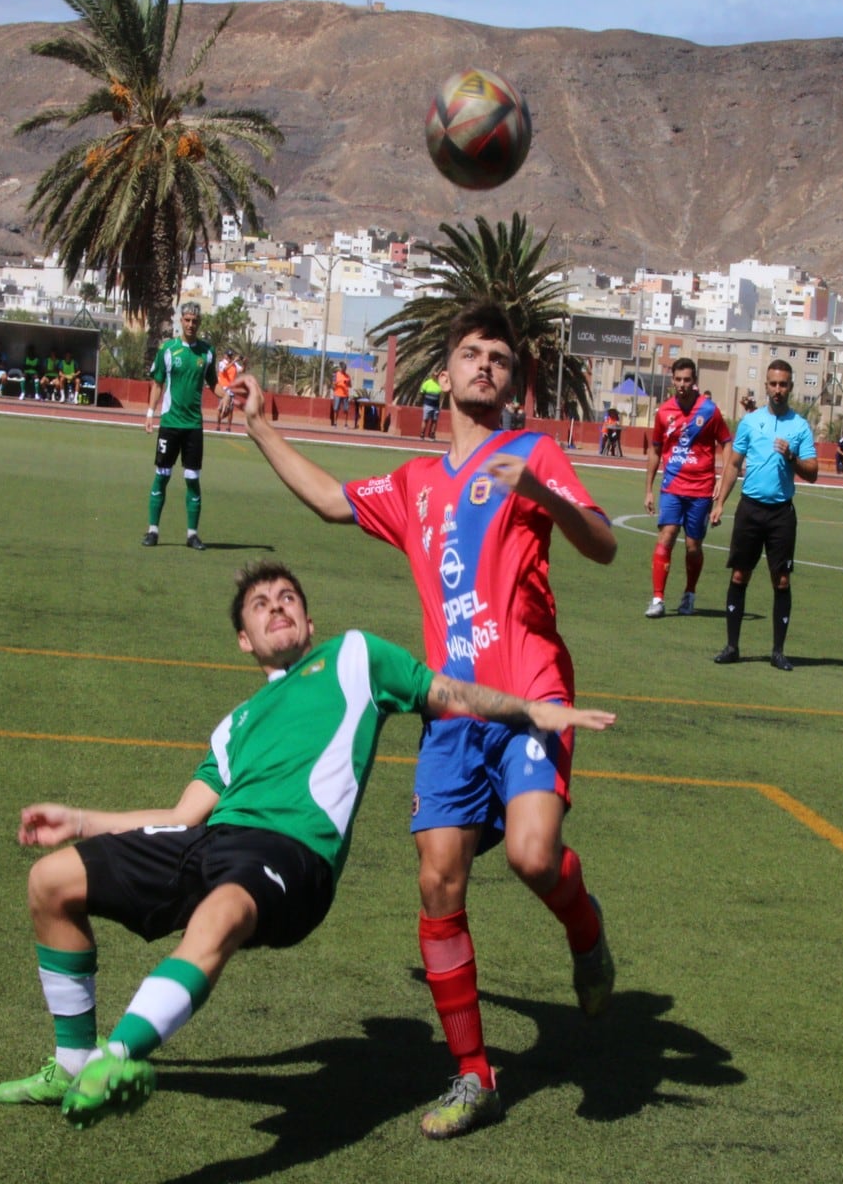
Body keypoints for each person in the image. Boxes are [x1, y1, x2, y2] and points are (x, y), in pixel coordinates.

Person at [0, 560, 615, 1130]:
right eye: (260, 605)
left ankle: (116, 1056)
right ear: (244, 640)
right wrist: (79, 819)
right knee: (51, 882)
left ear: (310, 621)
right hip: (211, 841)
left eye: (287, 598)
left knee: (221, 913)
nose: (276, 606)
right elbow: (182, 816)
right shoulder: (233, 726)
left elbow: (449, 693)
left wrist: (533, 711)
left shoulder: (354, 657)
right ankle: (73, 1063)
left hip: (291, 854)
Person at [237, 302, 618, 1139]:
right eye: (472, 355)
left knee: (531, 854)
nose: (486, 367)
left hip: (531, 688)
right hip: (451, 708)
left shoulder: (533, 452)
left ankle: (585, 933)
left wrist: (542, 491)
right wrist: (263, 431)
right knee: (437, 880)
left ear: (515, 382)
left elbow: (602, 543)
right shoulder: (413, 485)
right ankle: (474, 1076)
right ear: (445, 374)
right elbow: (334, 501)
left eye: (501, 360)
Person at [711, 358, 819, 670]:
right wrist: (720, 503)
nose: (777, 390)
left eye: (783, 384)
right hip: (750, 509)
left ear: (791, 387)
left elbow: (812, 472)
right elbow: (732, 465)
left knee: (781, 580)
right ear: (766, 386)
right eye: (772, 384)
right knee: (739, 575)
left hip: (781, 514)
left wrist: (792, 457)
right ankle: (732, 647)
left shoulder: (799, 427)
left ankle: (778, 651)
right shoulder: (750, 422)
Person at [643, 358, 730, 618]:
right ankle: (658, 599)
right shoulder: (663, 412)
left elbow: (726, 443)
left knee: (693, 546)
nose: (682, 385)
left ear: (695, 381)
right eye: (678, 380)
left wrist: (722, 480)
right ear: (672, 380)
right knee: (666, 536)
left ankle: (689, 594)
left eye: (687, 380)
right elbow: (655, 451)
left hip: (701, 489)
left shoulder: (710, 411)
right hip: (672, 486)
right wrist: (648, 489)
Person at [143, 301, 216, 550]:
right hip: (170, 424)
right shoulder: (168, 349)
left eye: (195, 321)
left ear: (200, 323)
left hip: (193, 426)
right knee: (161, 476)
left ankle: (192, 534)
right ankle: (153, 531)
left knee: (192, 479)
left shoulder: (206, 353)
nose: (191, 324)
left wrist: (226, 394)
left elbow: (214, 383)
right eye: (186, 320)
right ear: (180, 321)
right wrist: (150, 413)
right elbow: (157, 384)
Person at [215, 352, 240, 431]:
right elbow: (225, 369)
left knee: (230, 409)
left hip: (231, 390)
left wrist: (245, 363)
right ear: (225, 356)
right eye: (228, 355)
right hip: (223, 390)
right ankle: (218, 425)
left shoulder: (235, 364)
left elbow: (242, 370)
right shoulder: (221, 363)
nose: (229, 357)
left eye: (231, 356)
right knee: (220, 408)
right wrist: (234, 361)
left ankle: (229, 427)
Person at [419, 374, 444, 439]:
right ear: (432, 376)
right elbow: (422, 393)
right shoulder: (427, 383)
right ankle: (422, 434)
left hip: (436, 406)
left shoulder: (439, 384)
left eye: (437, 375)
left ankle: (432, 434)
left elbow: (441, 395)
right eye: (434, 375)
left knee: (434, 421)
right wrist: (422, 402)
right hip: (427, 405)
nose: (435, 376)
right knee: (425, 420)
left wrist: (440, 405)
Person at [329, 363, 351, 427]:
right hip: (337, 394)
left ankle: (345, 424)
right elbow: (333, 385)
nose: (344, 370)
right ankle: (335, 423)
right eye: (343, 369)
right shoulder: (336, 375)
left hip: (345, 395)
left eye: (345, 369)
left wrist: (348, 383)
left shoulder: (348, 376)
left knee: (346, 409)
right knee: (336, 409)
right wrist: (336, 384)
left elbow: (350, 385)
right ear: (341, 368)